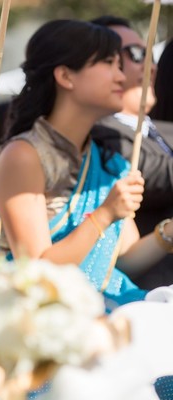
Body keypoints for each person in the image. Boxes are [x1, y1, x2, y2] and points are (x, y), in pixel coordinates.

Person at [0, 19, 173, 311]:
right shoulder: (24, 155)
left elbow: (124, 259)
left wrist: (168, 233)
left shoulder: (108, 160)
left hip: (112, 301)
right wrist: (103, 215)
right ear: (66, 76)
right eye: (109, 64)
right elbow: (36, 272)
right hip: (50, 317)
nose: (121, 76)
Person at [90, 16, 173, 289]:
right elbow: (155, 171)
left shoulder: (164, 129)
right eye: (137, 54)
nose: (150, 65)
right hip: (148, 293)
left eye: (151, 54)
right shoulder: (99, 134)